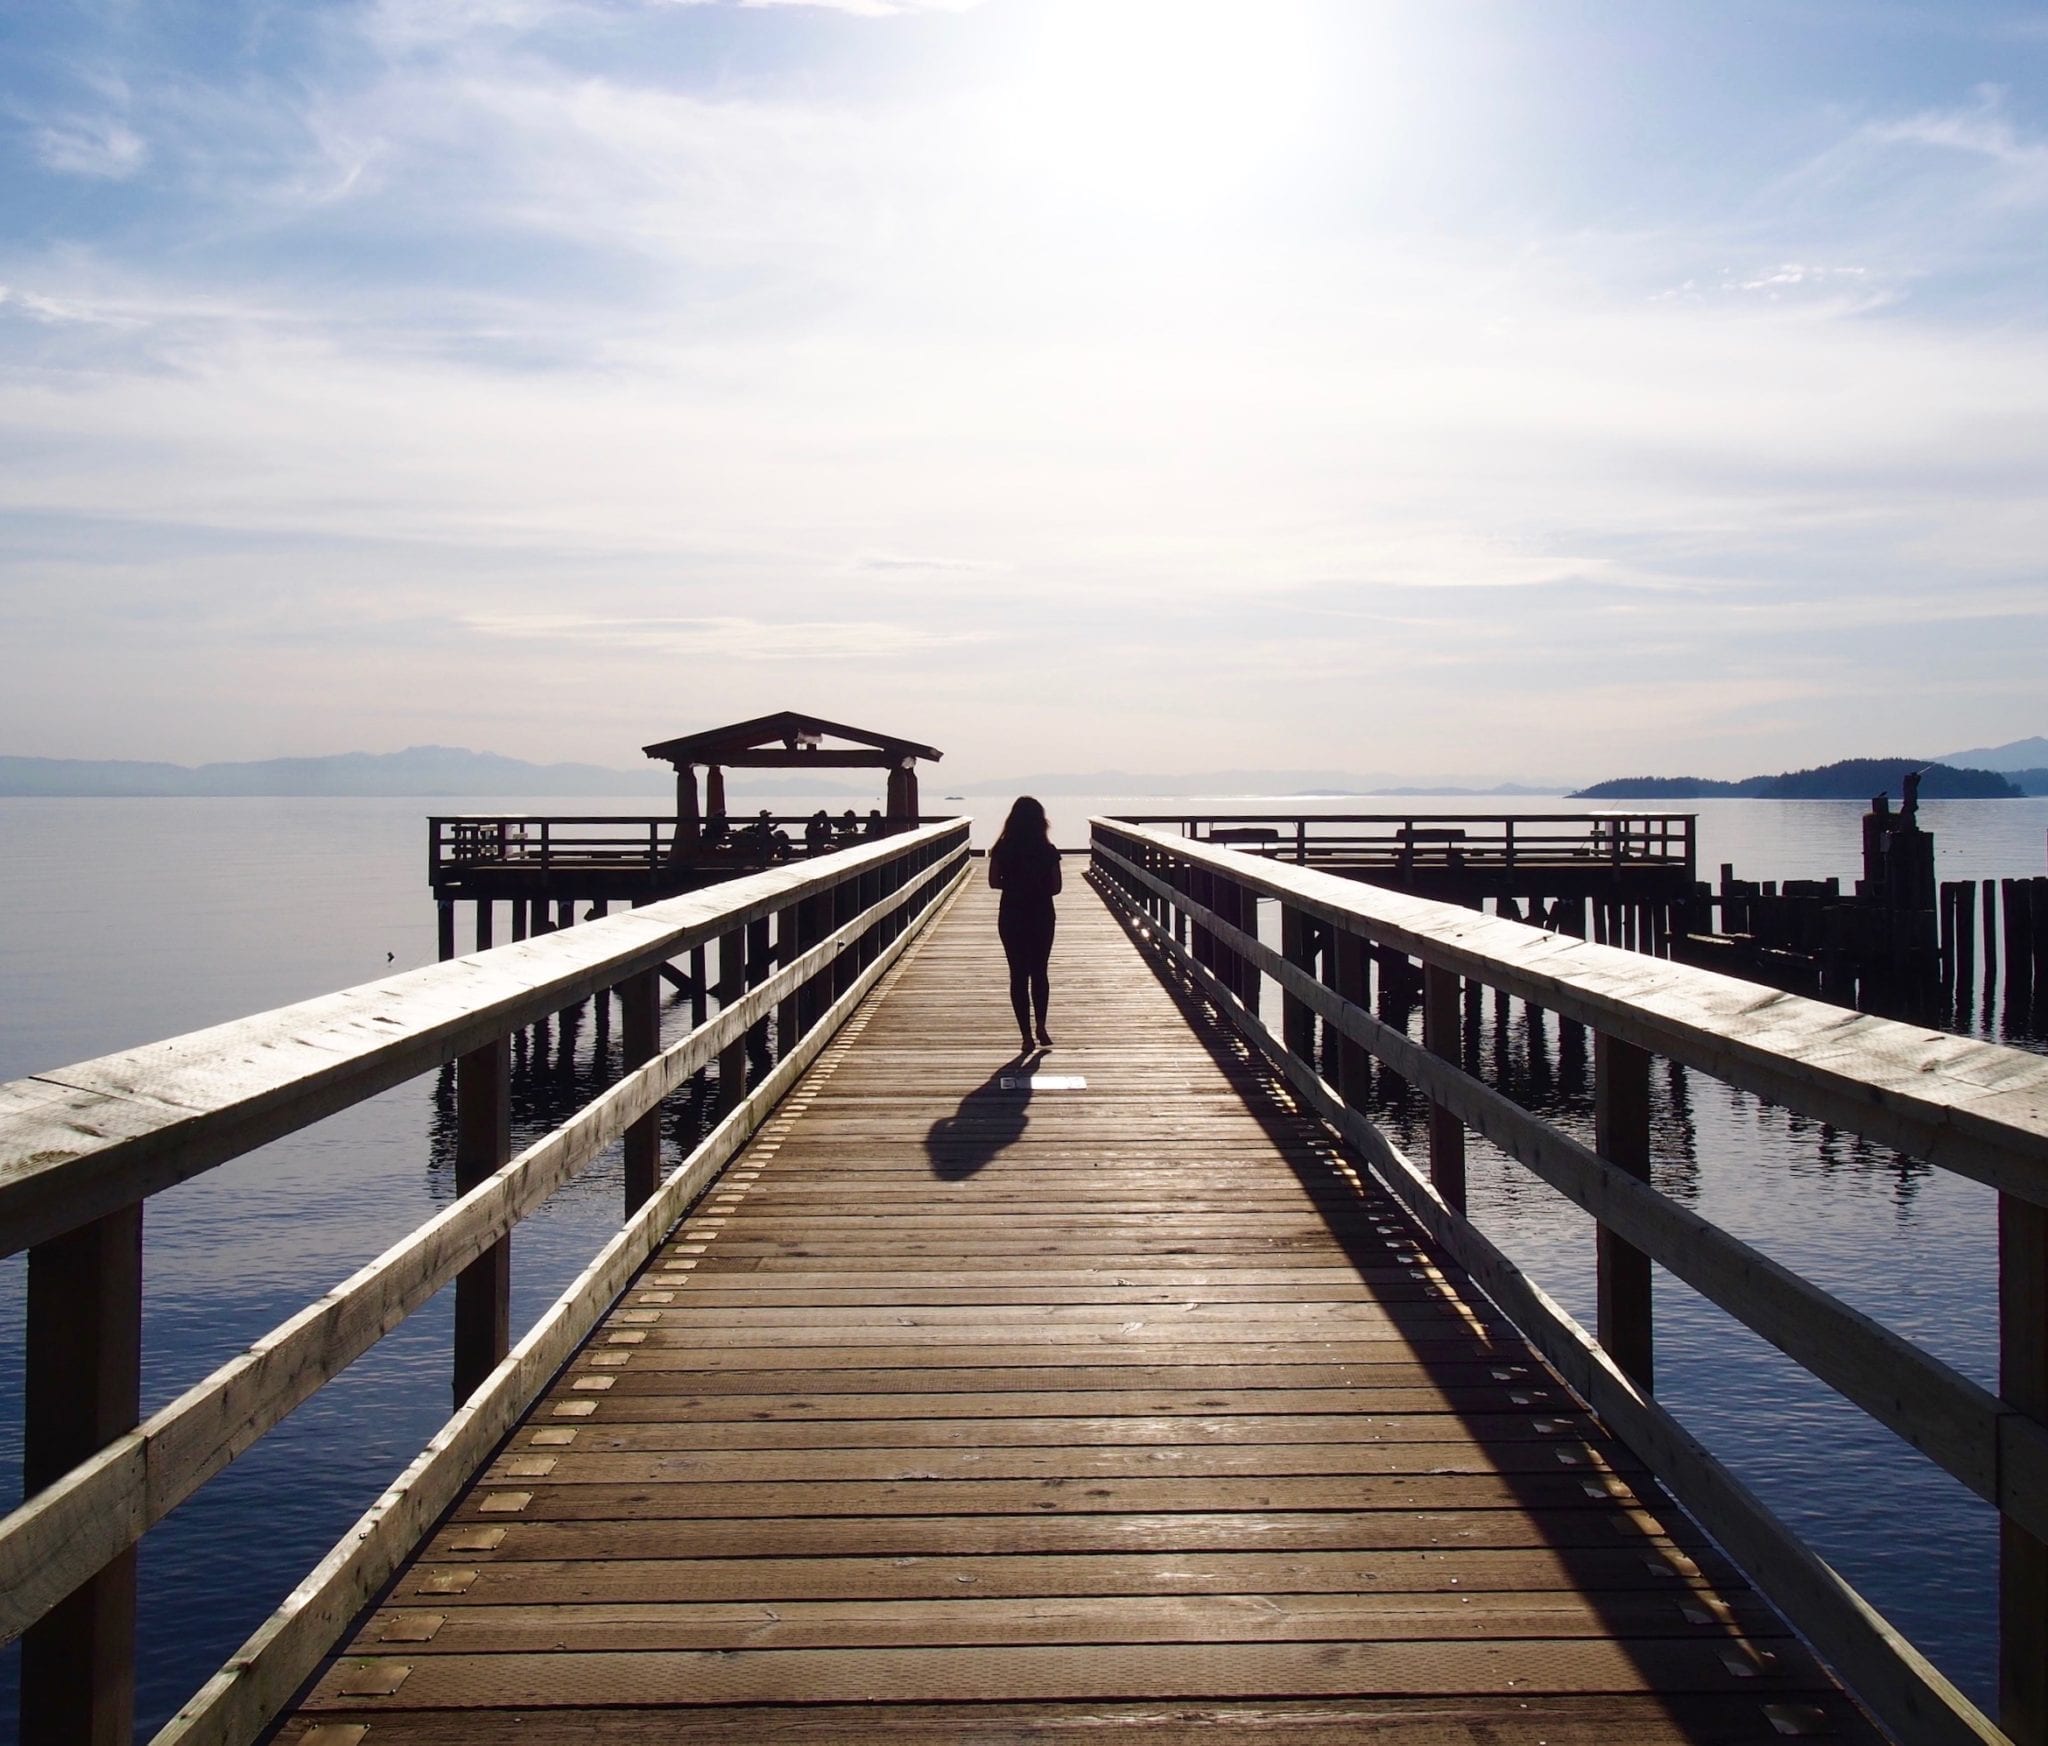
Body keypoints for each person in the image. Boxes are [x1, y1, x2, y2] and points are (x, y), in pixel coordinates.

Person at [988, 795, 1061, 1053]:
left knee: (1018, 975)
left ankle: (1026, 1036)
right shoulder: (1047, 850)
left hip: (1012, 913)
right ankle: (1042, 1026)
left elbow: (994, 881)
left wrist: (1014, 882)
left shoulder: (1003, 848)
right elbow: (1056, 887)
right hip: (1041, 912)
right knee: (1040, 971)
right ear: (1040, 821)